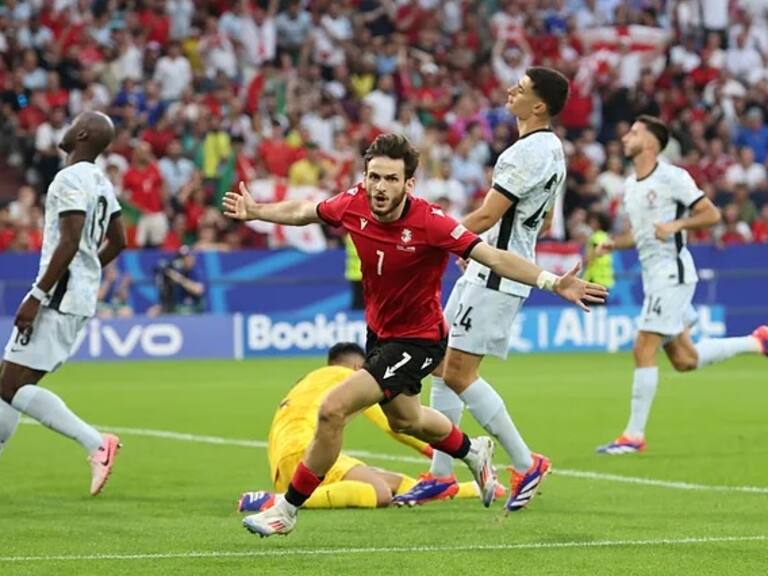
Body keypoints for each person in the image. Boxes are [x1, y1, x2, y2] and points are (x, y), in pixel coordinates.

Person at [223, 133, 606, 537]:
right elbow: (306, 210)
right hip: (381, 334)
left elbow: (491, 255)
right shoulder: (353, 203)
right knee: (406, 420)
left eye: (390, 179)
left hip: (420, 340)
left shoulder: (430, 222)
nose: (380, 187)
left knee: (332, 409)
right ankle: (472, 450)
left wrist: (551, 282)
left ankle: (286, 511)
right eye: (374, 177)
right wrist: (257, 211)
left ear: (409, 184)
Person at [393, 67, 571, 513]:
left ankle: (526, 462)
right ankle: (440, 476)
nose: (512, 89)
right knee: (440, 361)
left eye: (523, 88)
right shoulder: (553, 150)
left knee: (457, 372)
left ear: (539, 106)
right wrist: (473, 246)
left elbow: (490, 216)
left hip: (496, 275)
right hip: (490, 266)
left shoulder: (524, 153)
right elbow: (539, 218)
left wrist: (443, 236)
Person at [595, 115, 767, 455]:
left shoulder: (672, 177)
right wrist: (614, 244)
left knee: (643, 346)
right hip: (654, 276)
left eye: (633, 132)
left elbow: (711, 214)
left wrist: (677, 225)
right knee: (685, 359)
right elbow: (641, 234)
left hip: (671, 274)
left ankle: (633, 436)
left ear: (650, 142)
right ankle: (756, 342)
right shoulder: (631, 185)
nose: (625, 137)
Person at [0, 111, 126, 495]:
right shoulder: (101, 183)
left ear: (82, 134)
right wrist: (88, 273)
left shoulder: (69, 178)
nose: (67, 127)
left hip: (55, 295)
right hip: (76, 293)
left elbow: (70, 239)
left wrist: (36, 296)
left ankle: (94, 443)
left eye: (73, 123)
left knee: (10, 386)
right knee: (8, 382)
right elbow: (118, 241)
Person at [237, 342, 496, 513]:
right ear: (358, 368)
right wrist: (443, 453)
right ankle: (274, 501)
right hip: (305, 453)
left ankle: (473, 487)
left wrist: (469, 488)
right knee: (379, 493)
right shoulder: (349, 381)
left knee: (392, 482)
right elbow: (396, 425)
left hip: (288, 462)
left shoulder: (312, 379)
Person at [147, 246, 205, 316]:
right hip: (175, 307)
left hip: (192, 308)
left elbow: (198, 290)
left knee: (182, 311)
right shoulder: (176, 271)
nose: (185, 260)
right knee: (152, 313)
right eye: (182, 258)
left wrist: (179, 279)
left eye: (188, 257)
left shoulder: (196, 272)